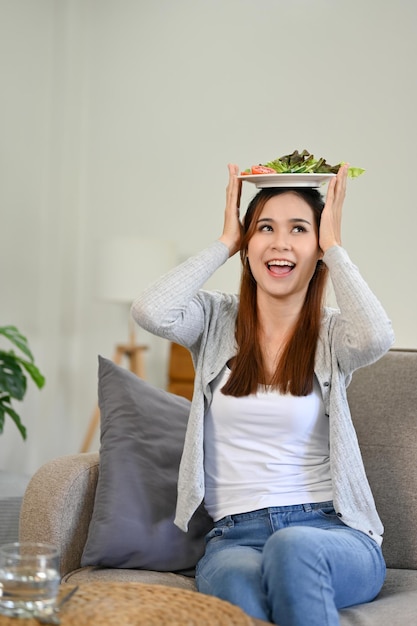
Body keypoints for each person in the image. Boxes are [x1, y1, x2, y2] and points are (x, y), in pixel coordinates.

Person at [131, 163, 394, 626]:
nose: (280, 243)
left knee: (292, 547)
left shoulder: (333, 334)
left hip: (330, 532)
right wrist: (224, 241)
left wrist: (335, 246)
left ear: (316, 250)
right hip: (236, 538)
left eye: (300, 230)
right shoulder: (214, 322)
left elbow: (376, 337)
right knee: (239, 587)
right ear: (248, 247)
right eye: (264, 228)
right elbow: (151, 310)